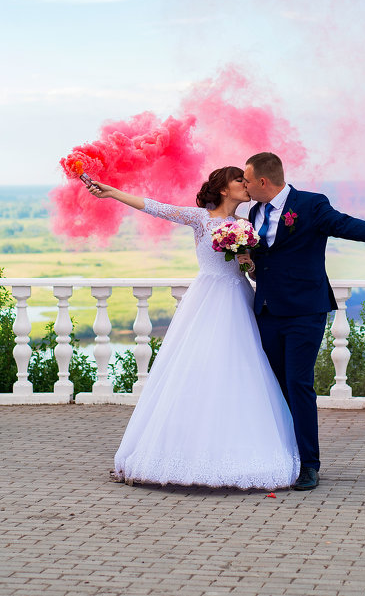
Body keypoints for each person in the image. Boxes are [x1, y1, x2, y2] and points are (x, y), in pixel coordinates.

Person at [85, 167, 300, 490]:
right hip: (208, 301)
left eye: (246, 180)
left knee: (243, 371)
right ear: (224, 189)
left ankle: (239, 448)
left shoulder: (246, 225)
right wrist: (112, 192)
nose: (246, 185)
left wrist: (247, 261)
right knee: (198, 370)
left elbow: (255, 273)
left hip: (239, 298)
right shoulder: (202, 219)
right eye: (239, 180)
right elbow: (154, 206)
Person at [243, 152, 365, 491]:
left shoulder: (311, 204)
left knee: (299, 385)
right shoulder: (254, 211)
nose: (245, 185)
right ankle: (283, 456)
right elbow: (261, 258)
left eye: (247, 180)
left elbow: (342, 223)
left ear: (263, 182)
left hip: (304, 310)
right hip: (267, 310)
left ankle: (309, 465)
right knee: (276, 385)